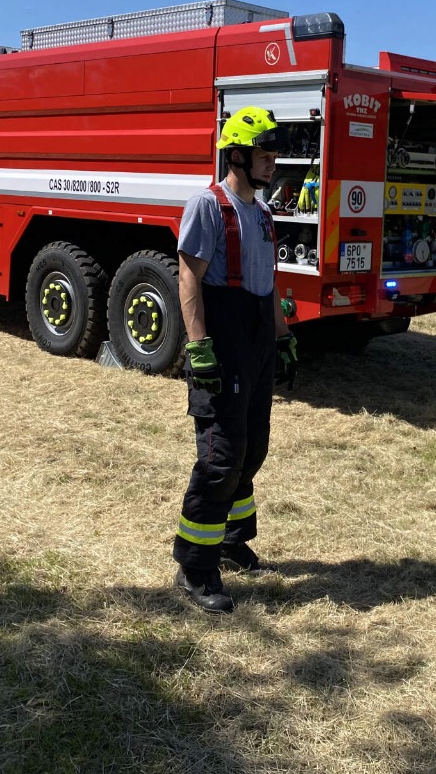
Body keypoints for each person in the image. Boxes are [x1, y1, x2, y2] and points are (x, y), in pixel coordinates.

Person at [171, 106, 298, 614]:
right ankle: (195, 565)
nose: (272, 162)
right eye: (264, 154)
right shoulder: (207, 206)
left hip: (258, 340)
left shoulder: (262, 213)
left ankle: (230, 539)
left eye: (273, 154)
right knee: (221, 456)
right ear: (238, 156)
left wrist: (283, 337)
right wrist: (198, 346)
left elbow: (268, 281)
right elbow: (188, 278)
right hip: (222, 343)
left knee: (253, 448)